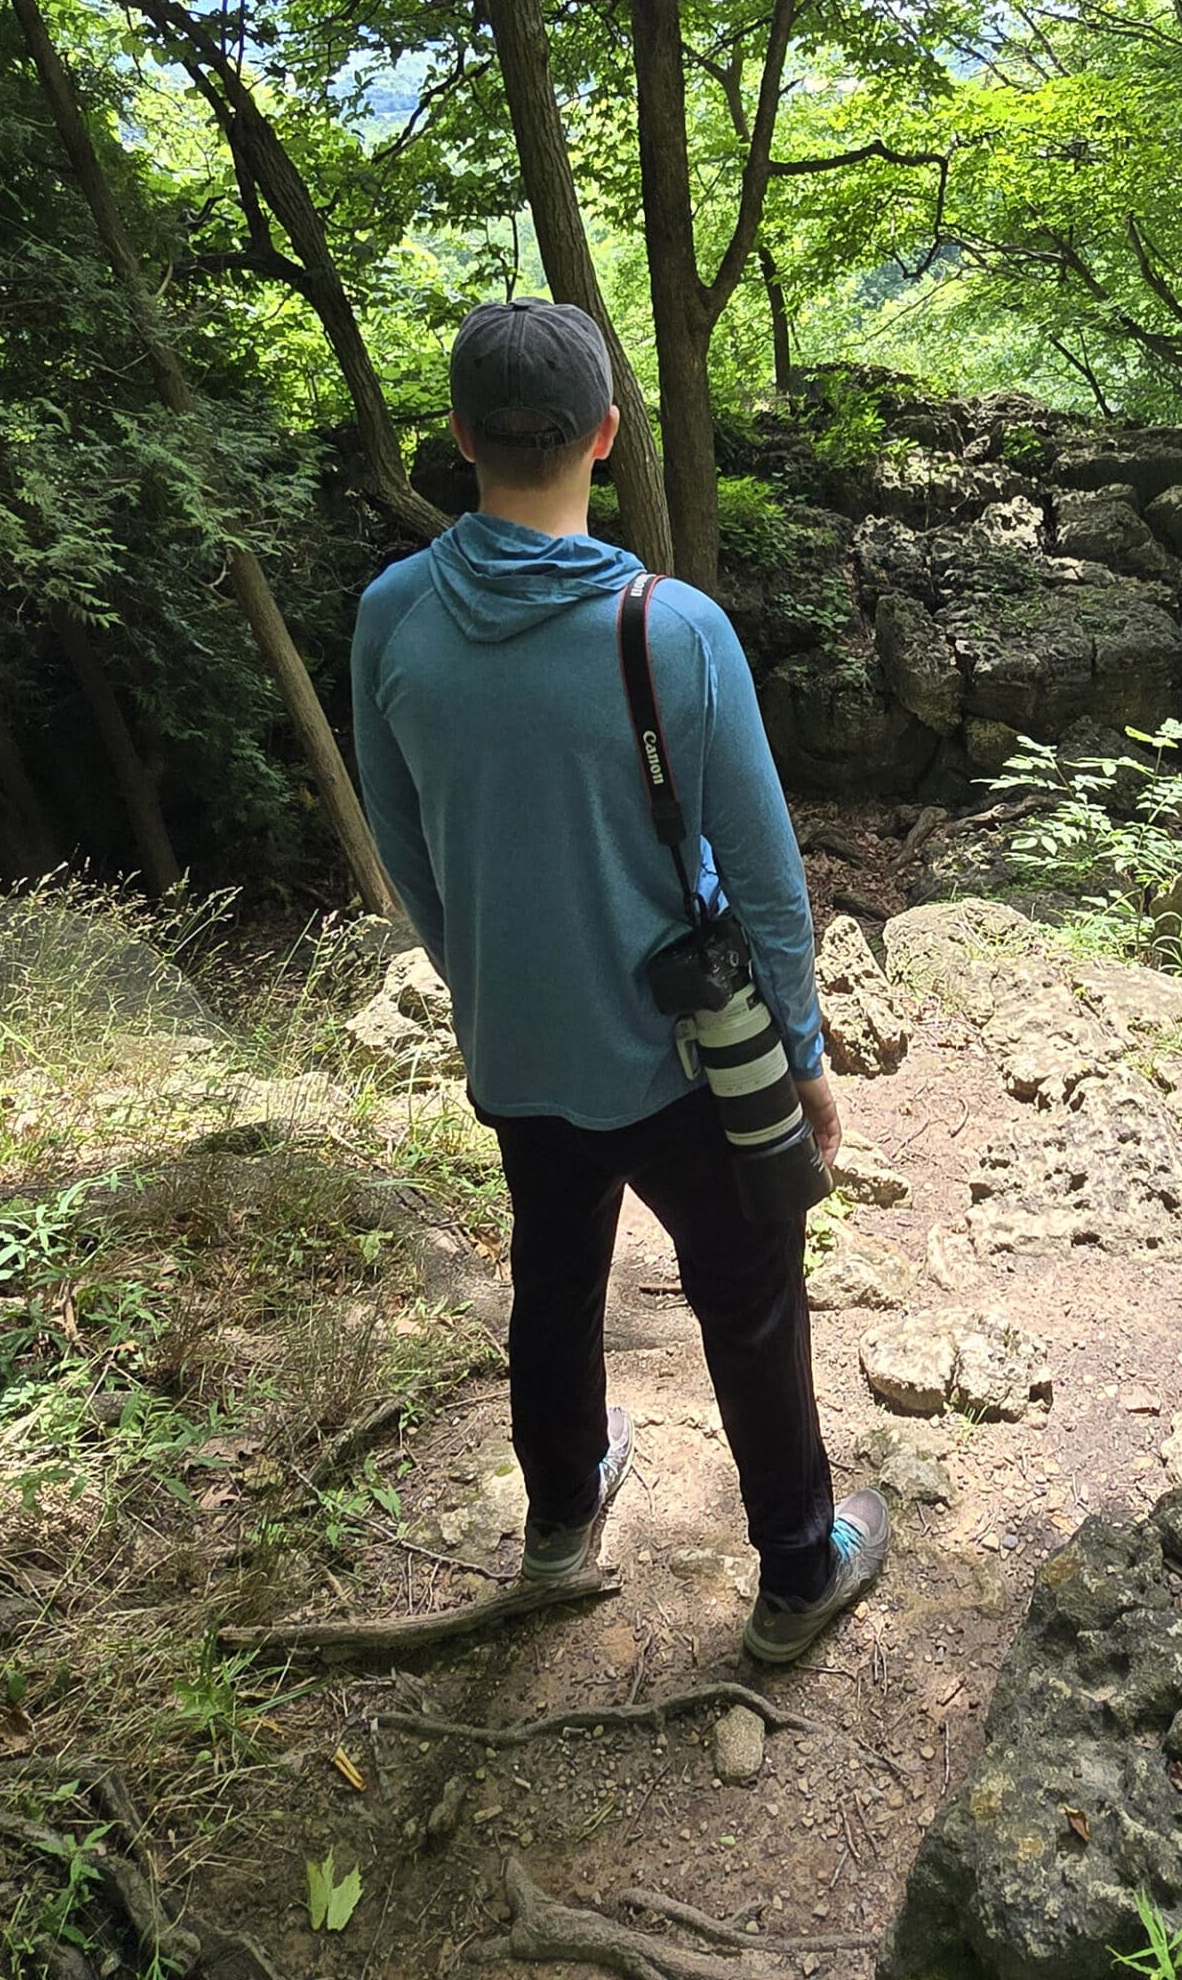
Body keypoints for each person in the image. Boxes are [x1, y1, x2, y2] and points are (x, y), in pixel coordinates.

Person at [350, 296, 887, 1662]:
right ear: (604, 434)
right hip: (677, 1052)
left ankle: (559, 1514)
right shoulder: (673, 628)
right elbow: (763, 881)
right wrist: (808, 1056)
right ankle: (797, 1567)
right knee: (750, 1289)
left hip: (516, 1043)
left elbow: (403, 841)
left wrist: (481, 975)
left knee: (553, 1264)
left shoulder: (392, 618)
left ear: (460, 439)